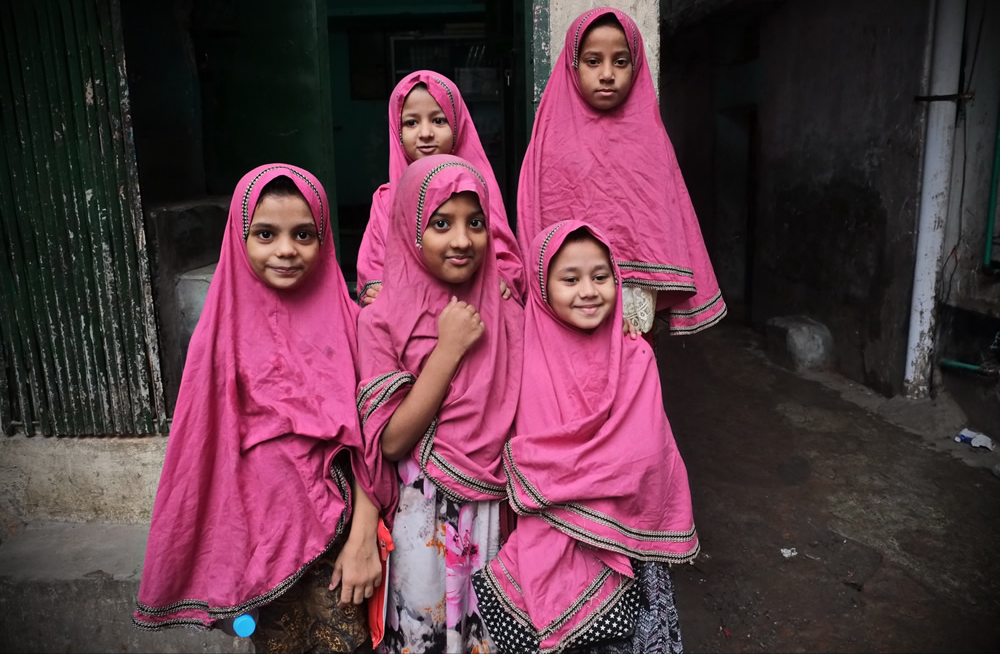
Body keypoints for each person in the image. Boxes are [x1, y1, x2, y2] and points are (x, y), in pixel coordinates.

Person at [133, 165, 381, 654]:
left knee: (345, 643)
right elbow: (205, 461)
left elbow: (377, 443)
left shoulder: (355, 327)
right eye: (265, 234)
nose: (286, 250)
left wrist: (363, 538)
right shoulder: (218, 340)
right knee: (273, 644)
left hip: (341, 543)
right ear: (238, 239)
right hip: (258, 549)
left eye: (304, 234)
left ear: (325, 239)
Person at [472, 221, 698, 654]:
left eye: (601, 276)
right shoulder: (521, 351)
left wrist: (558, 477)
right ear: (541, 286)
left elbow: (646, 452)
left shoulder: (635, 354)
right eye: (570, 279)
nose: (589, 291)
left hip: (624, 539)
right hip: (546, 537)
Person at [355, 154, 524, 653]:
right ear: (409, 228)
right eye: (441, 223)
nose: (461, 240)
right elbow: (390, 441)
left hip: (500, 514)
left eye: (476, 223)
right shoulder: (380, 321)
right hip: (423, 520)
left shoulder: (506, 308)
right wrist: (448, 349)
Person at [516, 7, 726, 338]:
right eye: (593, 61)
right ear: (573, 66)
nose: (607, 74)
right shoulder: (550, 136)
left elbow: (665, 217)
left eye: (620, 61)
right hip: (565, 286)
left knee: (631, 364)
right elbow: (535, 210)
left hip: (633, 293)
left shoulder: (650, 138)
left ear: (635, 66)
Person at [356, 70, 524, 307]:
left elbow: (503, 254)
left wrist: (503, 277)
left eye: (438, 120)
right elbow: (374, 261)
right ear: (397, 130)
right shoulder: (387, 199)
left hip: (473, 306)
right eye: (411, 122)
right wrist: (373, 287)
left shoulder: (477, 189)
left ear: (457, 126)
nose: (426, 134)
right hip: (409, 312)